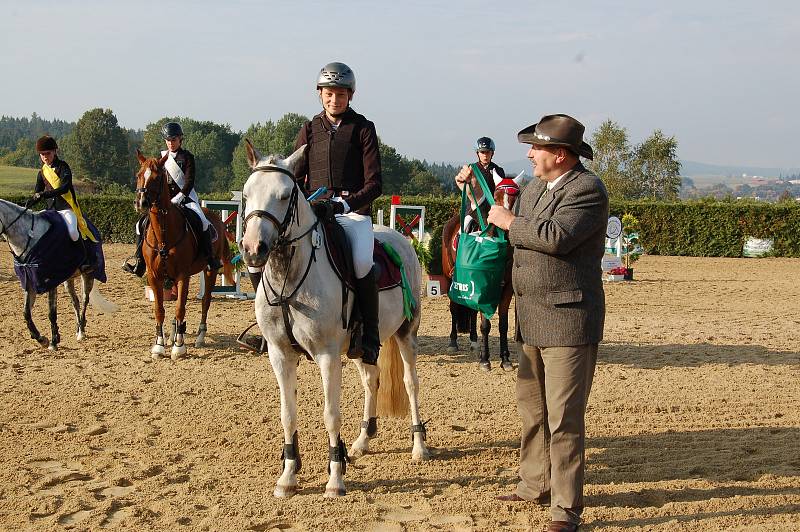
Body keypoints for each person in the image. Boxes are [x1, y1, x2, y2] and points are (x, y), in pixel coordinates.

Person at [457, 114, 608, 532]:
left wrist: (510, 221)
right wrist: (475, 194)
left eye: (536, 148)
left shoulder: (588, 190)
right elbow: (504, 223)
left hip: (569, 320)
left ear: (559, 155)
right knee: (532, 409)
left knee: (564, 418)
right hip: (532, 317)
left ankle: (565, 508)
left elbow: (555, 236)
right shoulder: (535, 187)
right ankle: (534, 482)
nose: (529, 154)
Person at [293, 61, 382, 365]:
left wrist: (345, 203)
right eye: (329, 94)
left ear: (350, 96)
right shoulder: (309, 129)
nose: (335, 100)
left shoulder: (363, 129)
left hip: (353, 213)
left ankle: (369, 336)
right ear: (320, 94)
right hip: (316, 212)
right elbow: (295, 176)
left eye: (341, 95)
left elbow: (375, 183)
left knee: (360, 263)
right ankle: (277, 328)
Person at [123, 122, 222, 276]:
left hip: (187, 199)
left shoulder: (187, 157)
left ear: (180, 139)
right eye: (168, 140)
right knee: (139, 225)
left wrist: (178, 198)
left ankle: (209, 259)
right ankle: (140, 262)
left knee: (203, 222)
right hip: (165, 203)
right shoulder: (160, 160)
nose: (171, 143)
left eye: (174, 139)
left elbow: (189, 182)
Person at [32, 135, 97, 272]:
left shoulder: (63, 167)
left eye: (47, 153)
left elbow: (64, 188)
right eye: (42, 154)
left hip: (66, 208)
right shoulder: (42, 172)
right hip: (50, 210)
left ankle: (84, 261)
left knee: (73, 232)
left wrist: (44, 194)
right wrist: (27, 204)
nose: (45, 157)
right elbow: (37, 192)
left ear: (55, 151)